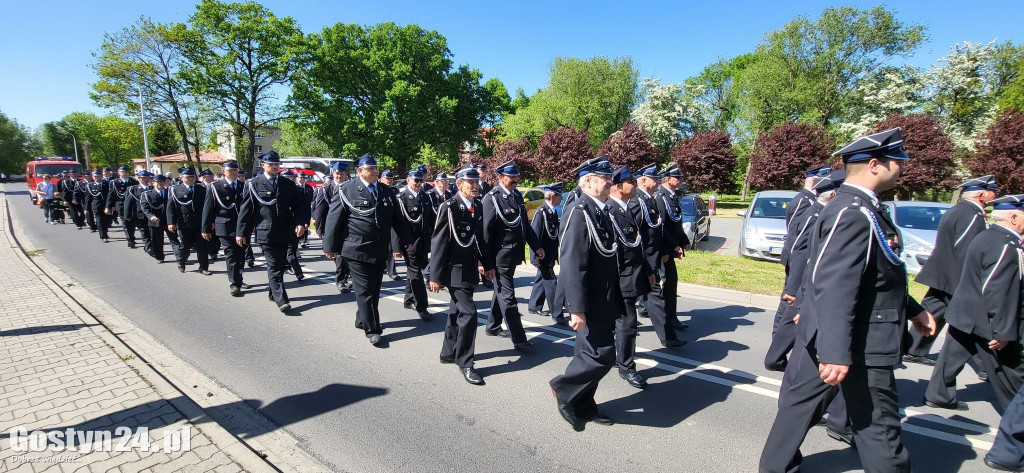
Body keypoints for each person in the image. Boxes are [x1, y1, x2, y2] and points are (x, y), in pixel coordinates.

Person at [759, 128, 937, 473]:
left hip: (837, 333)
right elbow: (835, 283)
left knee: (798, 409)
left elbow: (877, 276)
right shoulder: (852, 212)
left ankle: (773, 468)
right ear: (874, 164)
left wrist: (914, 310)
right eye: (896, 161)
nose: (901, 167)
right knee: (879, 428)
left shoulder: (861, 208)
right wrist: (836, 351)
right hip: (856, 340)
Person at [924, 194, 1024, 412]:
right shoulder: (1007, 245)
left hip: (965, 310)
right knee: (1010, 373)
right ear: (1014, 217)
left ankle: (939, 394)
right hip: (984, 319)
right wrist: (1002, 330)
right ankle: (1017, 420)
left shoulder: (988, 236)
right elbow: (998, 290)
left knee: (950, 357)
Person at [550, 156, 621, 432]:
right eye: (604, 177)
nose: (609, 182)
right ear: (588, 180)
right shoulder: (579, 211)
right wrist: (575, 308)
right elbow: (571, 262)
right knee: (602, 355)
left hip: (604, 297)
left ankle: (584, 404)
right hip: (589, 300)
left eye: (610, 177)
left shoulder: (600, 210)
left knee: (588, 354)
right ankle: (563, 389)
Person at [906, 175, 999, 367]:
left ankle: (913, 348)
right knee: (972, 320)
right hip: (956, 274)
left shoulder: (958, 210)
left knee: (933, 310)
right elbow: (967, 249)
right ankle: (987, 366)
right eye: (993, 192)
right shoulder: (973, 215)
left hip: (943, 272)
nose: (995, 195)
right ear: (982, 194)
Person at [322, 154, 414, 346]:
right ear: (360, 171)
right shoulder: (346, 189)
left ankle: (361, 318)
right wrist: (330, 247)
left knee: (374, 288)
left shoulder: (386, 191)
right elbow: (333, 219)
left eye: (375, 168)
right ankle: (373, 330)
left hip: (380, 249)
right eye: (370, 169)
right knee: (365, 290)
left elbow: (397, 219)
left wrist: (406, 239)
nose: (374, 171)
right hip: (356, 249)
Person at [429, 163, 495, 385]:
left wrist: (488, 264)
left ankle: (448, 352)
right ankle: (466, 362)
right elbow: (438, 244)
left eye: (477, 182)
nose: (475, 186)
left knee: (456, 312)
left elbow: (481, 239)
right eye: (471, 182)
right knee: (469, 315)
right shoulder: (449, 207)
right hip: (453, 271)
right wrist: (435, 276)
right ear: (459, 184)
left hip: (469, 270)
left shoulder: (477, 205)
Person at [765, 164, 831, 371]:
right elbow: (796, 237)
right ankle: (778, 348)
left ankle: (779, 348)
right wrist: (793, 281)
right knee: (788, 306)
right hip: (798, 263)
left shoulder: (813, 203)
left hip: (803, 264)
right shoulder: (805, 202)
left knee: (790, 307)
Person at [482, 159, 545, 352]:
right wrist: (484, 262)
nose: (516, 179)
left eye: (517, 176)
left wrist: (536, 246)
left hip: (514, 255)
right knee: (508, 297)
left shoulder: (517, 195)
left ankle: (493, 325)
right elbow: (485, 234)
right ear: (500, 177)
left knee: (500, 291)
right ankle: (519, 339)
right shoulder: (491, 198)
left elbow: (524, 225)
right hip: (499, 257)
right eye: (512, 176)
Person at [237, 151, 307, 313]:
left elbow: (299, 205)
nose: (275, 167)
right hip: (265, 232)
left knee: (280, 264)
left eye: (276, 164)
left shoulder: (287, 184)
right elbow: (246, 211)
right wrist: (241, 232)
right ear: (263, 166)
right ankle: (282, 299)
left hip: (285, 231)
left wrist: (300, 223)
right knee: (274, 265)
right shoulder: (254, 184)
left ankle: (272, 292)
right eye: (271, 165)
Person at [607, 166, 656, 390]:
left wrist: (649, 271)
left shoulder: (626, 209)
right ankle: (626, 367)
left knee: (625, 324)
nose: (635, 186)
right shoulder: (610, 211)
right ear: (618, 186)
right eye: (631, 182)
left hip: (632, 276)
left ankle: (619, 360)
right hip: (619, 279)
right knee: (627, 324)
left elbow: (636, 245)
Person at [628, 164, 686, 348]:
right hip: (642, 260)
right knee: (638, 298)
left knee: (650, 298)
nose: (658, 181)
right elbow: (635, 235)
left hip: (651, 259)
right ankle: (666, 336)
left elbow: (656, 230)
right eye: (655, 178)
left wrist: (664, 251)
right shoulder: (638, 201)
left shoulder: (650, 199)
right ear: (643, 180)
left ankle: (667, 336)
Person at [202, 160, 251, 297]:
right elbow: (208, 208)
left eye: (236, 170)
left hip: (242, 227)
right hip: (225, 226)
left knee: (241, 256)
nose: (234, 173)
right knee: (231, 256)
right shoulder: (215, 187)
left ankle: (239, 278)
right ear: (224, 171)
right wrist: (205, 228)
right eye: (231, 170)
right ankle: (235, 284)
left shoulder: (244, 186)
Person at [393, 166, 436, 320]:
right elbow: (397, 224)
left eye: (421, 180)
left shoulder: (425, 196)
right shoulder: (401, 197)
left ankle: (408, 299)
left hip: (424, 242)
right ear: (408, 180)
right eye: (416, 180)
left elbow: (432, 220)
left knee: (415, 272)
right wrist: (397, 246)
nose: (418, 183)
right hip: (409, 243)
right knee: (416, 274)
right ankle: (422, 306)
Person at [653, 163, 689, 332]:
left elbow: (676, 221)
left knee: (665, 281)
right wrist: (673, 246)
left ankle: (651, 308)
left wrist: (683, 239)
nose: (681, 180)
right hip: (664, 248)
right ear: (667, 179)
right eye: (678, 177)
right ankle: (669, 317)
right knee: (668, 281)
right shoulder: (660, 197)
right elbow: (661, 227)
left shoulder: (672, 196)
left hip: (671, 246)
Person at [527, 182, 566, 326]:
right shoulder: (541, 212)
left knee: (541, 279)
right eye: (559, 195)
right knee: (551, 282)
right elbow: (534, 236)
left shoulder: (553, 211)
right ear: (552, 196)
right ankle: (557, 313)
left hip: (549, 254)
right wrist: (534, 257)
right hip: (542, 254)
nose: (561, 198)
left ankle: (534, 305)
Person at [313, 163, 351, 293]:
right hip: (332, 226)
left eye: (341, 173)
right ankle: (341, 280)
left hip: (347, 227)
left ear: (346, 174)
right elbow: (320, 210)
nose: (339, 175)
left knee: (343, 255)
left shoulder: (351, 187)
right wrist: (319, 228)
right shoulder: (325, 189)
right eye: (336, 173)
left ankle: (343, 278)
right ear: (333, 173)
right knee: (339, 255)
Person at [167, 167, 211, 275]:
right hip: (185, 223)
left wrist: (210, 222)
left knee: (202, 246)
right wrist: (171, 222)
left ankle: (203, 267)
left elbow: (207, 207)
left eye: (193, 177)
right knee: (185, 245)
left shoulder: (201, 189)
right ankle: (181, 261)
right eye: (188, 177)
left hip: (200, 223)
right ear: (182, 178)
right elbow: (170, 207)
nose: (191, 179)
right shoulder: (175, 189)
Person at [140, 174, 179, 263]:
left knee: (174, 239)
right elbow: (145, 207)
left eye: (162, 182)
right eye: (157, 182)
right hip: (155, 221)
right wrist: (151, 216)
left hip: (169, 220)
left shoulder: (170, 192)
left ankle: (179, 257)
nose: (160, 184)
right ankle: (159, 257)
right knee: (157, 241)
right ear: (153, 183)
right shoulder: (147, 194)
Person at [280, 169, 308, 281]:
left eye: (290, 178)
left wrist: (303, 222)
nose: (288, 180)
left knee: (291, 250)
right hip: (280, 227)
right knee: (281, 252)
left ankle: (297, 272)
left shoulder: (298, 190)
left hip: (294, 225)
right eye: (286, 178)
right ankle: (289, 268)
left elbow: (303, 208)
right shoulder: (276, 189)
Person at [106, 166, 140, 248]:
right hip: (121, 204)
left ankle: (131, 235)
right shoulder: (114, 182)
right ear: (119, 173)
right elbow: (110, 195)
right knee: (125, 222)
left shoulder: (133, 182)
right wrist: (108, 206)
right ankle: (130, 239)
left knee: (132, 222)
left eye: (126, 172)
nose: (125, 174)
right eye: (123, 172)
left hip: (133, 205)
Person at [124, 171, 155, 255]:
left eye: (147, 178)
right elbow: (128, 203)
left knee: (152, 232)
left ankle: (151, 246)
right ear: (139, 179)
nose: (145, 179)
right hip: (139, 214)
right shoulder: (133, 189)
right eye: (143, 178)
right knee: (144, 231)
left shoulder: (152, 188)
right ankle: (148, 247)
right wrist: (127, 215)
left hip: (152, 215)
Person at [86, 170, 112, 242]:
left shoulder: (107, 184)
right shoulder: (90, 185)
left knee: (107, 220)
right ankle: (103, 236)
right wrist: (86, 208)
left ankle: (105, 232)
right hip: (96, 206)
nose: (96, 178)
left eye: (98, 176)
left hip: (107, 205)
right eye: (95, 176)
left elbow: (110, 195)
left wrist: (111, 205)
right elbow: (88, 198)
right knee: (99, 220)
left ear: (101, 176)